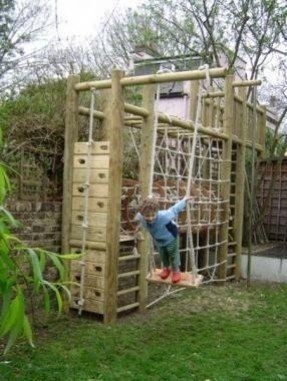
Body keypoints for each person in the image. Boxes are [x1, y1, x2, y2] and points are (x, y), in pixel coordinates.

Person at [135, 195, 190, 284]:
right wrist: (137, 229)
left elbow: (174, 209)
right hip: (159, 238)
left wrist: (184, 200)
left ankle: (176, 270)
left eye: (153, 215)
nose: (150, 218)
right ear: (142, 214)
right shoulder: (140, 217)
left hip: (170, 234)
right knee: (163, 254)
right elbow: (137, 219)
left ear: (157, 212)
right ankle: (166, 269)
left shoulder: (164, 216)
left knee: (172, 253)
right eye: (147, 216)